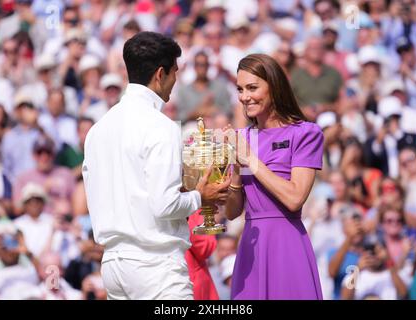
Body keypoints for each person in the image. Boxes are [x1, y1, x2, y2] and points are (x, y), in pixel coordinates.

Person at [82, 31, 230, 300]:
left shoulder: (97, 129)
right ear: (161, 74)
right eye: (174, 72)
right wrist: (201, 196)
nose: (175, 81)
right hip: (155, 267)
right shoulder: (160, 126)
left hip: (114, 267)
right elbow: (165, 205)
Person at [224, 53, 324, 299]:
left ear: (274, 86)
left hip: (287, 243)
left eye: (252, 88)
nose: (244, 97)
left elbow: (294, 198)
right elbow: (231, 212)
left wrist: (251, 160)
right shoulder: (243, 138)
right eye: (240, 89)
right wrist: (236, 170)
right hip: (251, 247)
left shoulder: (306, 134)